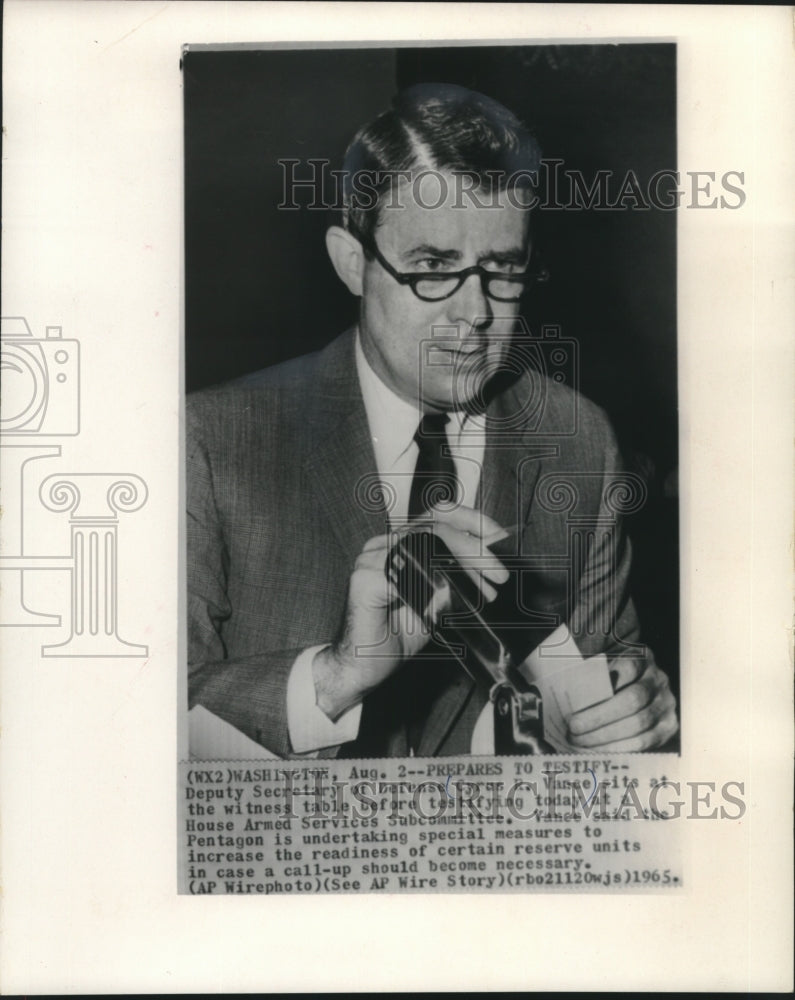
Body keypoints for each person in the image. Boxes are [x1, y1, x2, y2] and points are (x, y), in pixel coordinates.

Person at [187, 83, 679, 759]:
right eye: (432, 268)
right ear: (352, 262)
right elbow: (124, 718)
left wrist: (619, 712)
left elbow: (599, 675)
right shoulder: (210, 443)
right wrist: (334, 679)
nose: (474, 313)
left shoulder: (578, 438)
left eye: (501, 269)